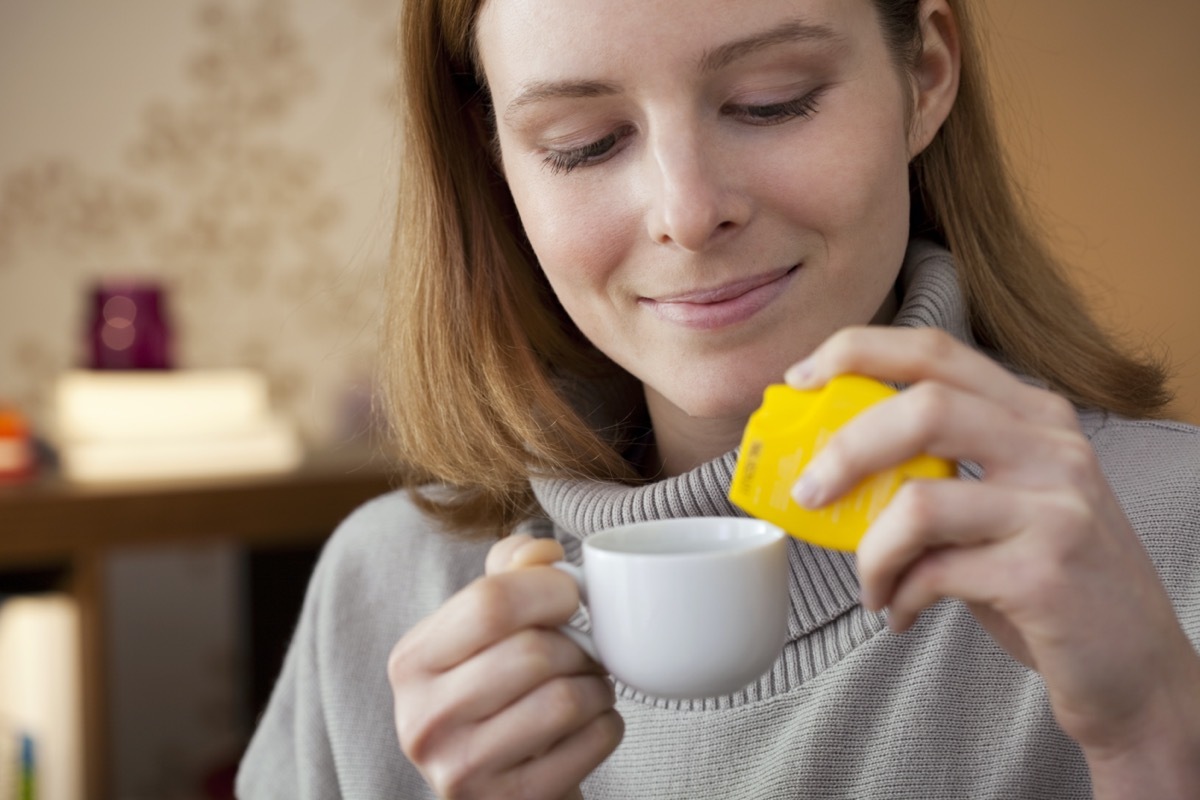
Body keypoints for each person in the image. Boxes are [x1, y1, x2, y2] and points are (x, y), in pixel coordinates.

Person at [237, 0, 1200, 797]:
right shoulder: (382, 595)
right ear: (496, 160)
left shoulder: (1174, 540)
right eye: (583, 143)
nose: (689, 213)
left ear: (927, 78)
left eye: (772, 102)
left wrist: (1156, 740)